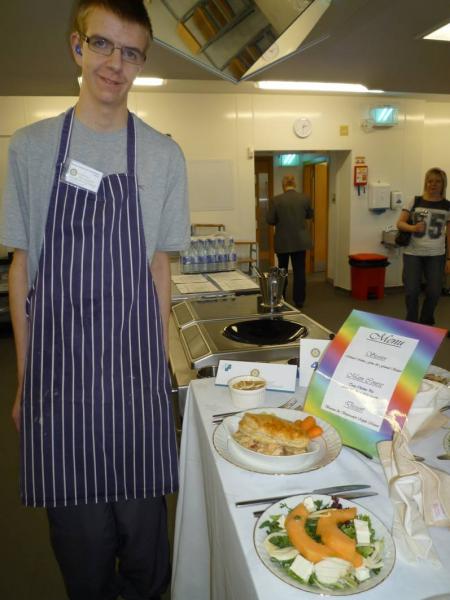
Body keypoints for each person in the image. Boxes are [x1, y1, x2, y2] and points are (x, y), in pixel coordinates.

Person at [1, 1, 190, 598]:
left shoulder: (163, 155)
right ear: (76, 46)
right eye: (103, 45)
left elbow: (159, 269)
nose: (116, 63)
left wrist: (162, 369)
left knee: (147, 558)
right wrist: (25, 381)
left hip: (135, 389)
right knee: (83, 564)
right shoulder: (30, 149)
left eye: (131, 52)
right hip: (60, 394)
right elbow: (22, 270)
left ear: (141, 62)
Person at [396, 167, 450, 329]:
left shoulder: (447, 206)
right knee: (411, 291)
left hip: (437, 255)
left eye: (437, 181)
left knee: (434, 292)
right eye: (430, 181)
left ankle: (426, 322)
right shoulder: (415, 201)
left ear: (443, 184)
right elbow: (400, 223)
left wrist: (449, 258)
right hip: (413, 253)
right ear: (425, 182)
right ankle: (412, 324)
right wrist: (412, 228)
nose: (433, 184)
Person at [266, 174, 313, 308]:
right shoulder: (304, 198)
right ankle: (299, 301)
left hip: (283, 241)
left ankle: (282, 297)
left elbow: (270, 220)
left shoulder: (276, 200)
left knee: (282, 270)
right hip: (300, 241)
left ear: (283, 185)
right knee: (299, 271)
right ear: (294, 184)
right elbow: (310, 215)